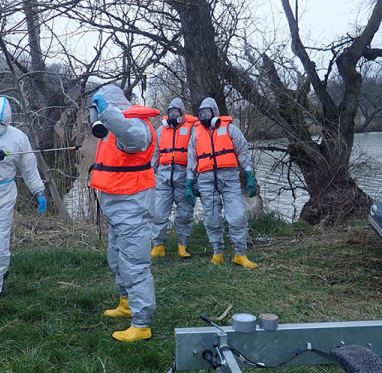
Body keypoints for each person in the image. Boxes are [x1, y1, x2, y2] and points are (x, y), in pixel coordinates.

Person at [90, 85, 159, 342]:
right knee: (117, 259)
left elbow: (134, 140)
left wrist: (108, 114)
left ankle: (142, 323)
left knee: (135, 264)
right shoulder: (112, 124)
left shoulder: (135, 123)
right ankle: (126, 303)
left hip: (132, 203)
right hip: (117, 204)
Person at [0, 97, 47, 305]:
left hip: (3, 196)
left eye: (2, 124)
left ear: (9, 122)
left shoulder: (18, 138)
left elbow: (29, 166)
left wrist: (38, 191)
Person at [185, 97, 259, 269]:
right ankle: (217, 252)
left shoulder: (230, 129)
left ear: (215, 113)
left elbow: (243, 153)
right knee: (211, 218)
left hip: (230, 178)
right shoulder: (196, 134)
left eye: (207, 112)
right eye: (201, 113)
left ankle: (240, 254)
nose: (204, 116)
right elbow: (192, 160)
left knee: (238, 216)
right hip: (206, 180)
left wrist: (249, 175)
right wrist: (190, 183)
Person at [151, 97, 198, 259]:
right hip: (163, 178)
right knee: (158, 213)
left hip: (184, 177)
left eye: (176, 112)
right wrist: (150, 172)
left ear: (183, 113)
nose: (173, 115)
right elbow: (155, 154)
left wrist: (192, 178)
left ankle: (182, 245)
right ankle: (158, 245)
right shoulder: (161, 131)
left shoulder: (193, 130)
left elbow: (194, 154)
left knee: (185, 214)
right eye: (170, 112)